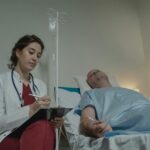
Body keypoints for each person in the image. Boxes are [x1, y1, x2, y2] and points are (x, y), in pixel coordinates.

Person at [0, 34, 63, 150]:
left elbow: (44, 117)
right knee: (42, 127)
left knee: (45, 126)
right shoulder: (2, 81)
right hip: (10, 137)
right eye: (31, 52)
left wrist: (55, 122)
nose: (35, 58)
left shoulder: (40, 85)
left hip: (38, 133)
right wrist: (31, 109)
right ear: (18, 53)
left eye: (38, 55)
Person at [78, 69, 150, 138]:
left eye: (97, 71)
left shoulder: (131, 90)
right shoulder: (90, 93)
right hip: (126, 119)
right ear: (90, 83)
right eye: (92, 74)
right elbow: (87, 118)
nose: (95, 72)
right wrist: (93, 127)